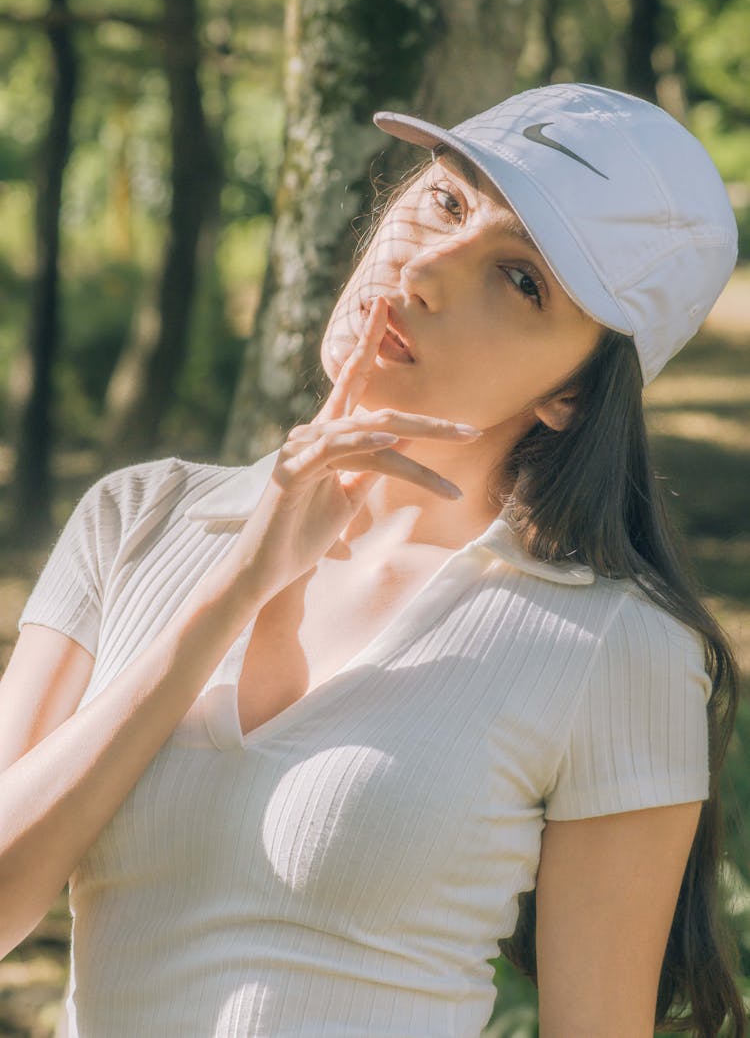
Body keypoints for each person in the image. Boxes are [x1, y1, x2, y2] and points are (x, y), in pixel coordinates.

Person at [0, 83, 744, 1038]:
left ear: (573, 395)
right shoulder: (137, 517)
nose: (426, 268)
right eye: (446, 199)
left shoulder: (614, 646)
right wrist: (235, 588)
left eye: (521, 279)